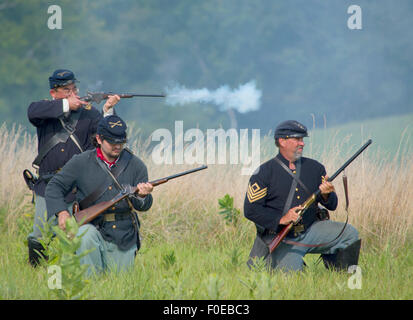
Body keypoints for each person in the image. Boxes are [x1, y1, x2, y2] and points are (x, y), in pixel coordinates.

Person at [27, 69, 120, 266]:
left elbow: (105, 137)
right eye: (66, 90)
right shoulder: (45, 110)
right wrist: (66, 104)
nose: (73, 93)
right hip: (48, 186)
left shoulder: (90, 114)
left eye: (74, 89)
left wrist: (108, 110)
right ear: (54, 93)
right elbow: (32, 111)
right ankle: (38, 275)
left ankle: (77, 276)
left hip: (77, 188)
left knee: (79, 236)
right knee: (39, 236)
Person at [244, 120, 361, 272]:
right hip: (284, 238)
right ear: (282, 141)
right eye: (297, 139)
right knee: (292, 277)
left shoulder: (315, 168)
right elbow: (251, 210)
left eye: (302, 139)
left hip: (310, 231)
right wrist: (281, 219)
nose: (302, 143)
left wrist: (326, 195)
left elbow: (332, 205)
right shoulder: (264, 173)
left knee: (349, 233)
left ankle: (340, 274)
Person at [45, 115, 153, 275]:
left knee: (120, 286)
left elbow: (143, 206)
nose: (118, 146)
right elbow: (54, 186)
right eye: (112, 142)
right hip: (91, 227)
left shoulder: (136, 165)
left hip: (123, 234)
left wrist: (143, 196)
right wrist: (62, 213)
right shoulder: (80, 161)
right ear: (99, 139)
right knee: (84, 236)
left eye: (121, 142)